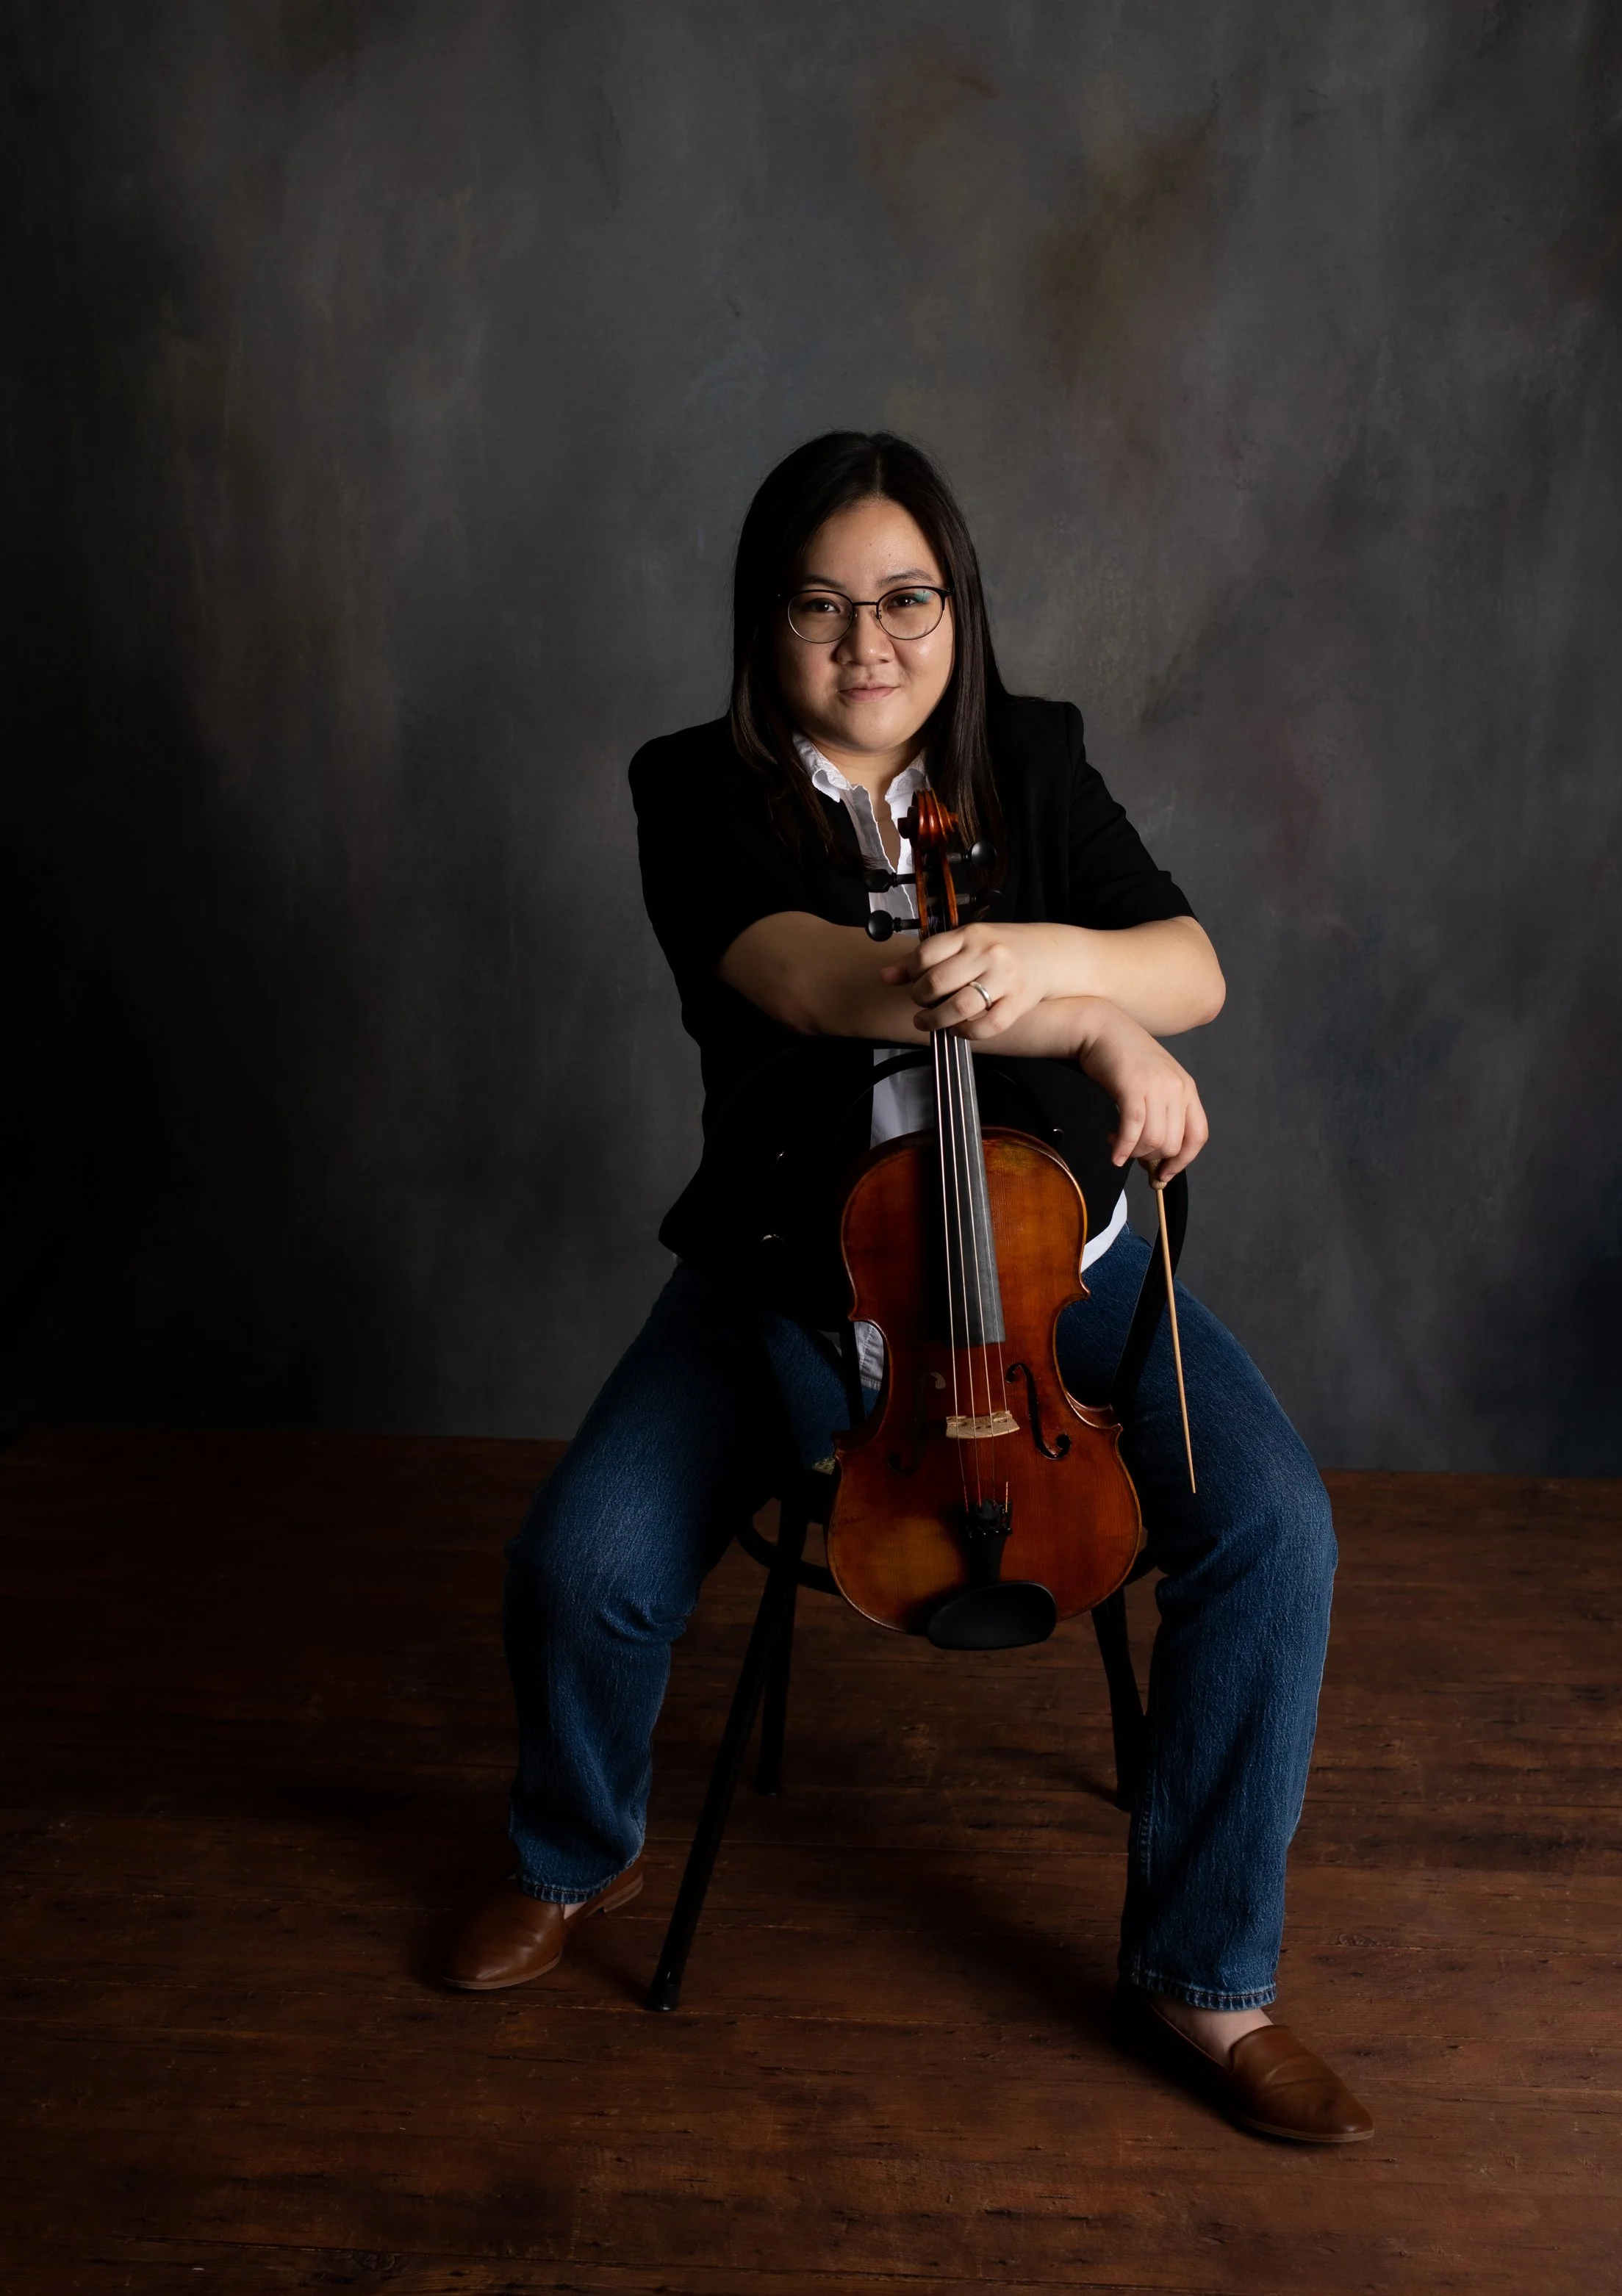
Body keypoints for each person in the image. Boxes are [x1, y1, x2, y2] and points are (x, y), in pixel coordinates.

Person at [444, 431, 1372, 2145]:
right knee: (582, 1564)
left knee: (1273, 1530)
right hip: (802, 1285)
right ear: (763, 622)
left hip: (1057, 1276)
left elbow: (1191, 963)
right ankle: (571, 1853)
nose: (866, 642)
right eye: (818, 606)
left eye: (904, 599)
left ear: (957, 607)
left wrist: (1070, 965)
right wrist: (1089, 1023)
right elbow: (806, 980)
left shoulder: (1030, 758)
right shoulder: (695, 790)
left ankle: (1205, 1973)